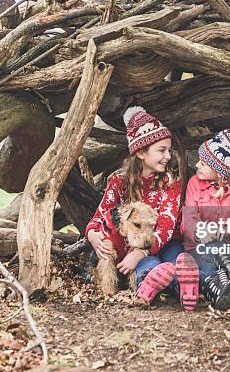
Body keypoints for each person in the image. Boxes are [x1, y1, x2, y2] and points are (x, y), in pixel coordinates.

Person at [86, 106, 199, 310]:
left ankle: (186, 287)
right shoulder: (119, 182)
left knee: (176, 261)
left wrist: (140, 253)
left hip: (166, 242)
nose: (167, 156)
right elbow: (98, 217)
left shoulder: (170, 182)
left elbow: (165, 227)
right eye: (161, 150)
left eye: (169, 150)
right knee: (150, 268)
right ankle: (152, 284)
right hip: (139, 248)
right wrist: (94, 237)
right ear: (141, 152)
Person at [181, 119, 230, 311]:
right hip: (198, 249)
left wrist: (225, 233)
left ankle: (227, 279)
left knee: (219, 248)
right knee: (203, 263)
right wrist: (202, 232)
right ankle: (229, 288)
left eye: (204, 163)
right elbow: (188, 221)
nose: (197, 164)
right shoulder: (194, 184)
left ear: (221, 172)